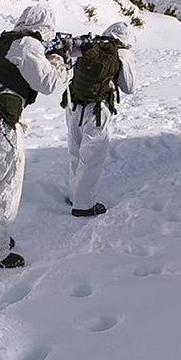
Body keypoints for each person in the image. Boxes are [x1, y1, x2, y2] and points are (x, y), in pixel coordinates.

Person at [0, 3, 71, 269]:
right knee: (5, 187)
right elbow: (48, 83)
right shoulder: (28, 45)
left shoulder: (3, 42)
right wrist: (59, 60)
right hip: (4, 125)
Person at [67, 21, 136, 218]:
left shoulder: (90, 44)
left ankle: (74, 194)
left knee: (75, 151)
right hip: (97, 109)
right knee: (92, 156)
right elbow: (129, 87)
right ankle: (84, 204)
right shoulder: (121, 53)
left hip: (74, 104)